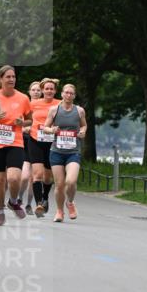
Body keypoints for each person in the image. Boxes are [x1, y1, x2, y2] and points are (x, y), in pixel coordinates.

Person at [0, 65, 32, 226]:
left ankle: (13, 201)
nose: (11, 79)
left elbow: (30, 120)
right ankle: (0, 212)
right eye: (8, 77)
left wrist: (22, 122)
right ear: (0, 79)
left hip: (15, 143)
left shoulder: (23, 98)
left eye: (13, 76)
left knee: (14, 178)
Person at [43, 83, 87, 222]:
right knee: (60, 184)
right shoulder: (54, 110)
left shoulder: (79, 111)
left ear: (74, 96)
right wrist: (52, 130)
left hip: (73, 151)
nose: (68, 95)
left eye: (71, 93)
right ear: (61, 94)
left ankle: (70, 202)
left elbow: (84, 125)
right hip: (56, 151)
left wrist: (83, 132)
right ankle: (60, 211)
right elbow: (45, 127)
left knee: (71, 181)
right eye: (66, 92)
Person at [27, 78, 60, 217]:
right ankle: (39, 203)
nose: (49, 91)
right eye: (46, 88)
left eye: (52, 88)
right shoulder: (33, 104)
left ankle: (45, 197)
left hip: (52, 143)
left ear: (55, 91)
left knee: (48, 177)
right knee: (37, 175)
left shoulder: (60, 104)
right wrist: (26, 126)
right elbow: (25, 118)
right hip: (35, 140)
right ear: (42, 90)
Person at [21, 80, 42, 214]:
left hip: (38, 142)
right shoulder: (24, 105)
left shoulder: (44, 106)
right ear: (29, 91)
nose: (36, 92)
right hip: (24, 141)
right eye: (33, 90)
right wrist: (25, 128)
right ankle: (17, 199)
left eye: (38, 90)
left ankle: (28, 204)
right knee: (24, 176)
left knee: (33, 178)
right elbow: (17, 122)